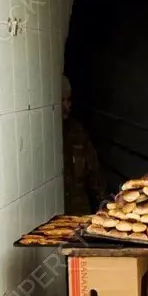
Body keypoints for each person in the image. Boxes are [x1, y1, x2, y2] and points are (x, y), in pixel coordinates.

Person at [62, 76, 105, 216]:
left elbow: (95, 173)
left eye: (68, 100)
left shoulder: (78, 132)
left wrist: (104, 203)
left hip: (79, 212)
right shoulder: (45, 136)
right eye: (62, 101)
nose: (67, 106)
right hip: (57, 214)